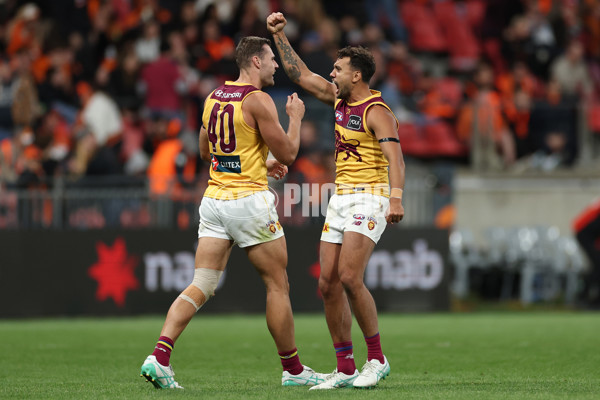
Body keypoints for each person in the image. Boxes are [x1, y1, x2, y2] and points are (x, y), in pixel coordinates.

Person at [139, 36, 326, 389]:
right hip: (249, 205)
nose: (275, 65)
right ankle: (294, 370)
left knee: (202, 283)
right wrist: (296, 119)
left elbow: (205, 149)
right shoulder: (258, 100)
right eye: (271, 59)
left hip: (214, 201)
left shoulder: (213, 96)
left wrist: (256, 163)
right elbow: (287, 153)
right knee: (277, 285)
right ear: (255, 62)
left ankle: (159, 357)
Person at [266, 12, 406, 390]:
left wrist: (396, 198)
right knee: (327, 284)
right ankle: (345, 367)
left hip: (371, 197)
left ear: (356, 75)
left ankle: (376, 359)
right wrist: (279, 36)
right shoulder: (338, 100)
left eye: (338, 69)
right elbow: (300, 75)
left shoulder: (377, 112)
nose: (332, 75)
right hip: (341, 198)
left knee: (349, 276)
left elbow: (396, 159)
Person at [573, 197, 600, 309]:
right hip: (584, 233)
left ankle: (591, 299)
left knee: (597, 267)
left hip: (587, 234)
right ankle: (584, 297)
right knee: (598, 267)